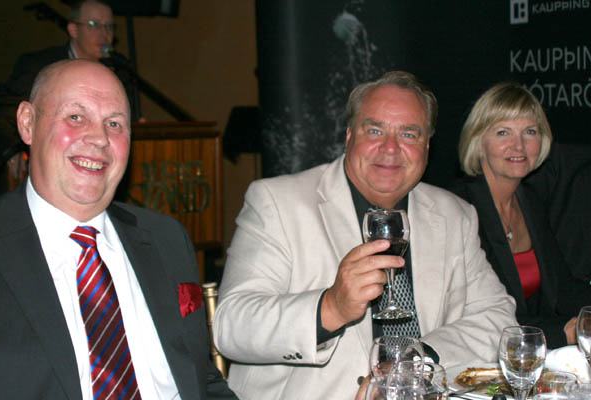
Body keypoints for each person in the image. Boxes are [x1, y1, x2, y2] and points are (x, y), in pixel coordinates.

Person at [212, 71, 517, 400]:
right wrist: (331, 307)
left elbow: (497, 318)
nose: (390, 148)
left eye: (409, 134)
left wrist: (416, 360)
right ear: (348, 136)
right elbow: (231, 326)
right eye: (374, 130)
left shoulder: (454, 215)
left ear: (427, 146)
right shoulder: (278, 202)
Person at [0, 59, 236, 400]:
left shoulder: (165, 239)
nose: (99, 138)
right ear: (27, 123)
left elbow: (200, 379)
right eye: (76, 117)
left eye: (114, 123)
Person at [450, 82, 591, 349]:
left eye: (530, 132)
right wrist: (563, 333)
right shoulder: (459, 208)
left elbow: (563, 288)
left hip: (529, 352)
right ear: (479, 144)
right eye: (503, 132)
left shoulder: (530, 200)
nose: (519, 145)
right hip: (477, 355)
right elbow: (482, 315)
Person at [0, 0, 138, 195]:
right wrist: (11, 151)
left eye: (109, 26)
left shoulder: (118, 73)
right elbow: (2, 113)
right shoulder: (40, 65)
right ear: (73, 30)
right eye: (94, 25)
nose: (104, 34)